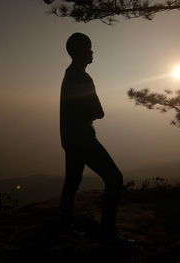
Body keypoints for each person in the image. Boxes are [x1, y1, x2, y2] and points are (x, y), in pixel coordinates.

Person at [59, 32, 124, 244]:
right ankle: (107, 236)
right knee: (114, 178)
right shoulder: (82, 77)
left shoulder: (69, 74)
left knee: (72, 183)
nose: (92, 51)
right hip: (84, 139)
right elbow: (99, 111)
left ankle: (65, 228)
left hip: (70, 138)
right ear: (78, 51)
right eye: (88, 48)